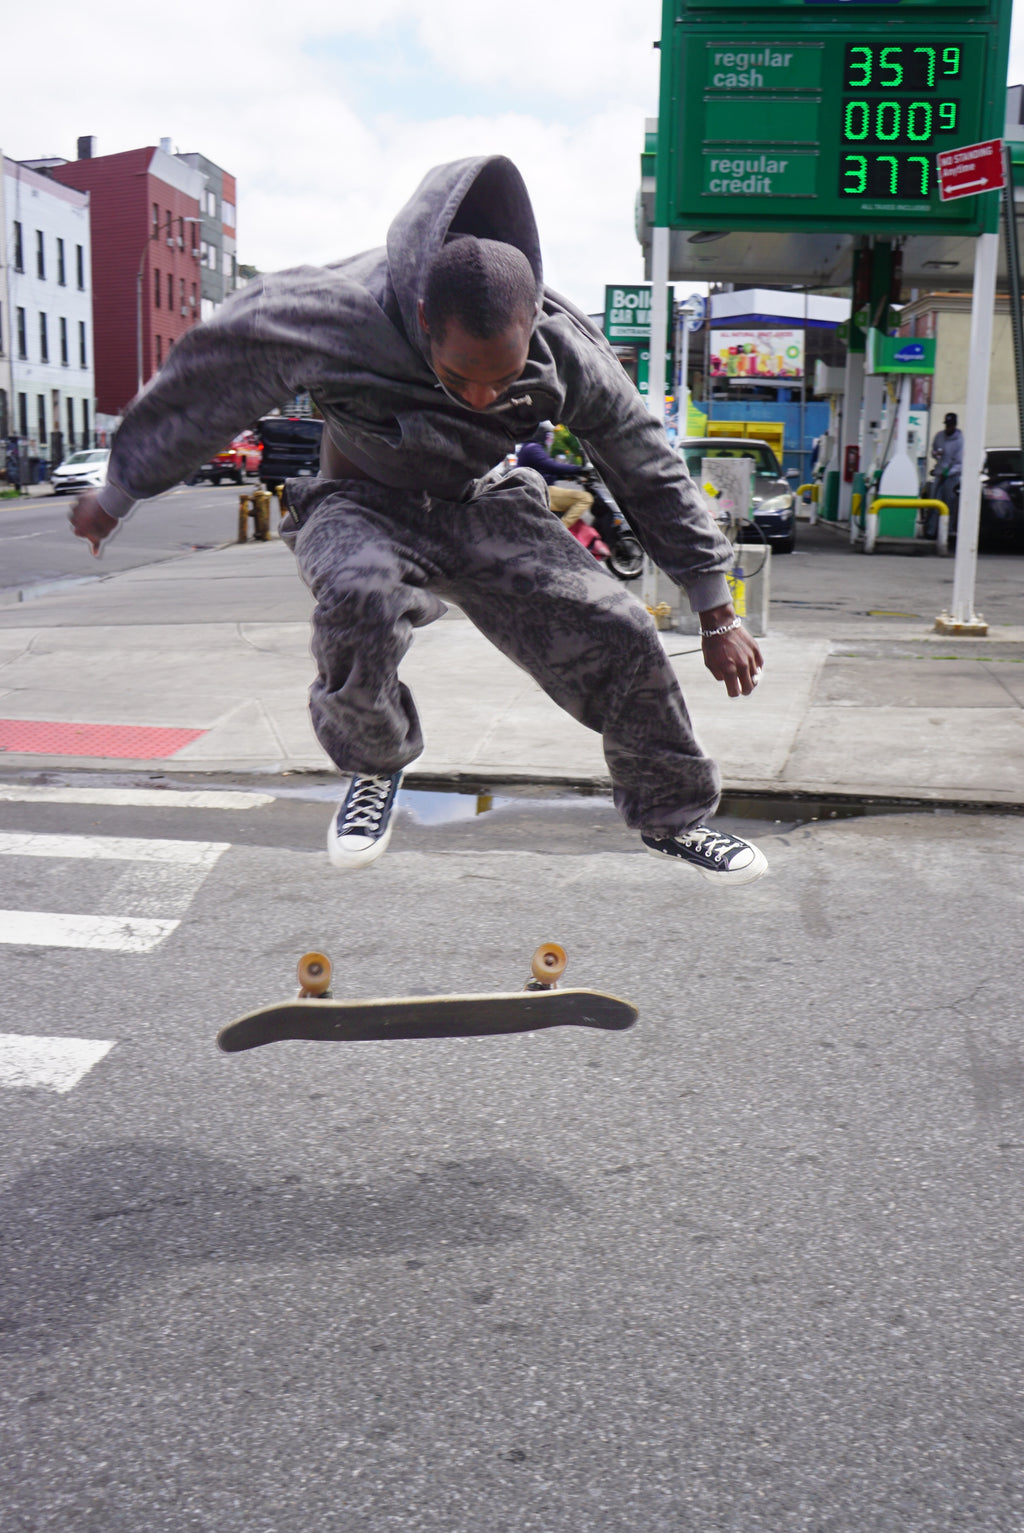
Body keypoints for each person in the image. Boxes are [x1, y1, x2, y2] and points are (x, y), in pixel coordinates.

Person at [69, 155, 767, 886]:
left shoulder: (564, 346)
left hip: (486, 503)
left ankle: (673, 815)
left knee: (621, 628)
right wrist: (117, 494)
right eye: (459, 374)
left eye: (502, 378)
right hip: (360, 503)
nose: (480, 395)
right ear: (427, 319)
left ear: (532, 323)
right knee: (360, 593)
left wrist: (715, 611)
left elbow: (643, 459)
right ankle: (375, 763)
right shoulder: (327, 312)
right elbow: (207, 384)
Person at [516, 423, 593, 529]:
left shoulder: (528, 447)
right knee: (585, 498)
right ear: (541, 434)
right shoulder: (533, 448)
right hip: (540, 492)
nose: (550, 439)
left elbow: (544, 470)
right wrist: (580, 469)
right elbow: (551, 466)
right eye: (549, 435)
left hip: (535, 489)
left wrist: (565, 476)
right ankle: (561, 529)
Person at [926, 412, 963, 538]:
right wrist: (936, 454)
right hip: (939, 473)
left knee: (948, 503)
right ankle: (931, 531)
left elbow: (959, 463)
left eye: (950, 425)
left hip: (952, 476)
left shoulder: (960, 441)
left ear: (955, 425)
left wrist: (948, 473)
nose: (948, 428)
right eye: (947, 425)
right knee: (935, 501)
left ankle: (946, 532)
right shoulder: (939, 436)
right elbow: (933, 451)